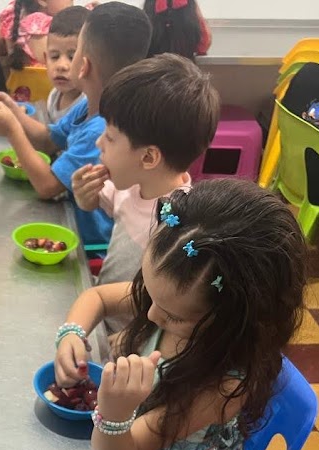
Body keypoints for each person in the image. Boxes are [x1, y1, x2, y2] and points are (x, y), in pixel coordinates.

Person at [53, 179, 307, 450]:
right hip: (123, 440)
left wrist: (114, 412)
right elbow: (96, 297)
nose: (151, 314)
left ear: (233, 323)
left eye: (173, 317)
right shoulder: (176, 293)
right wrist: (71, 334)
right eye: (150, 293)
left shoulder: (223, 386)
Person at [0, 2, 152, 248]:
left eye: (74, 54)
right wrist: (13, 110)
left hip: (91, 246)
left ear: (83, 66)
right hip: (73, 222)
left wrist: (11, 130)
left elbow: (47, 186)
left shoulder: (102, 129)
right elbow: (48, 140)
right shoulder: (87, 105)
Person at [71, 54, 219, 291]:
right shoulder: (132, 184)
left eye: (110, 137)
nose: (99, 143)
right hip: (100, 305)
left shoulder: (176, 229)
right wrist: (84, 196)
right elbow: (97, 201)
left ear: (149, 157)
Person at [44, 6, 87, 123]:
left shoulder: (87, 105)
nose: (61, 66)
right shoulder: (54, 96)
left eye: (72, 57)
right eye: (55, 56)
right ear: (45, 58)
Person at [143, 0, 211, 61]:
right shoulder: (190, 9)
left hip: (150, 68)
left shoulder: (143, 23)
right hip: (184, 68)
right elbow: (203, 45)